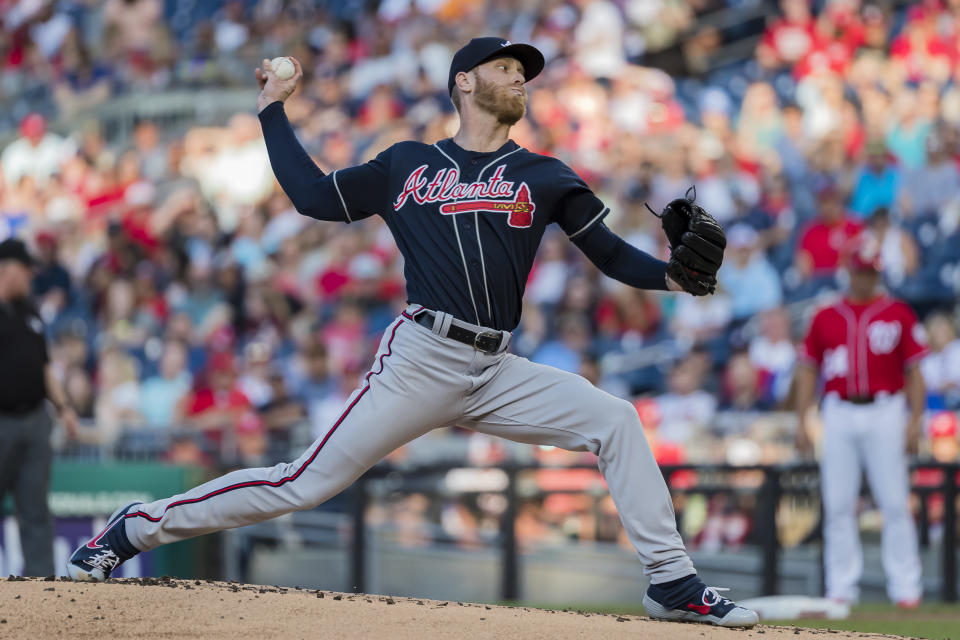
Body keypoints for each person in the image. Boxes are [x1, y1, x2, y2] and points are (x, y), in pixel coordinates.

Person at [67, 37, 757, 628]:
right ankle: (134, 528)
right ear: (464, 80)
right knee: (301, 483)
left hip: (497, 369)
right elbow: (312, 196)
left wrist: (675, 278)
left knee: (614, 420)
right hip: (421, 360)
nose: (520, 77)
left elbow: (607, 252)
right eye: (506, 67)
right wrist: (272, 111)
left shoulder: (545, 175)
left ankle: (671, 582)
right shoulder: (407, 164)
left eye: (525, 71)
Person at [793, 234, 927, 608]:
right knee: (837, 504)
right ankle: (841, 589)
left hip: (886, 408)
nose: (865, 278)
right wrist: (802, 420)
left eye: (871, 272)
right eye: (860, 271)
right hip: (837, 410)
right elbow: (807, 371)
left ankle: (906, 589)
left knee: (895, 502)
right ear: (848, 270)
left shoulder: (898, 312)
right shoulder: (825, 315)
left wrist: (915, 421)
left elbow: (915, 373)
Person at [0, 238, 78, 576]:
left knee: (35, 510)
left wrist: (64, 408)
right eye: (25, 269)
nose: (31, 275)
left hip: (35, 420)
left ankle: (41, 591)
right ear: (7, 269)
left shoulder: (29, 311)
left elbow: (45, 366)